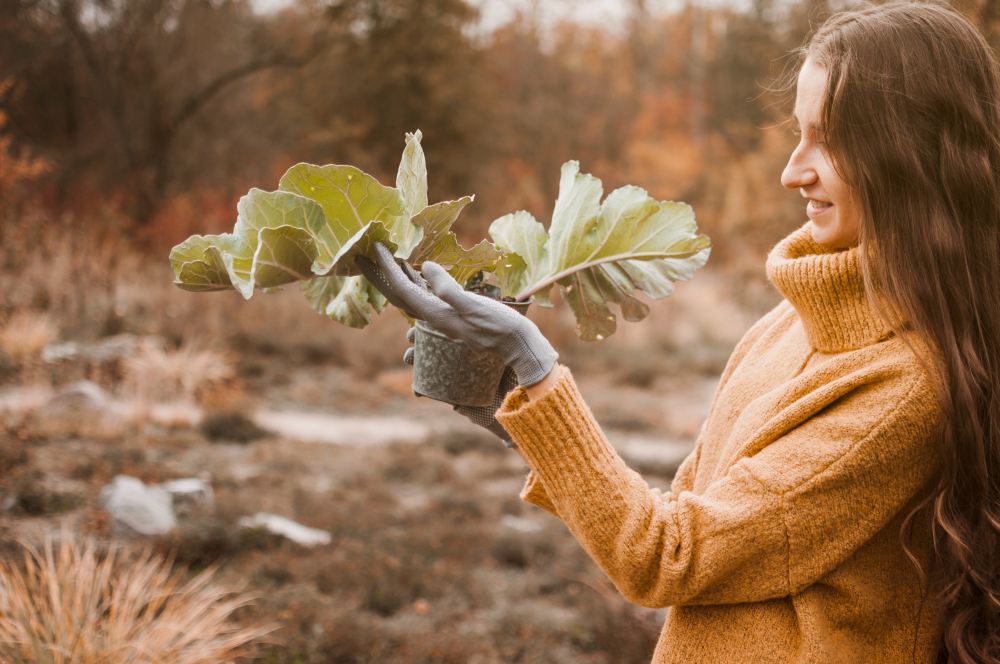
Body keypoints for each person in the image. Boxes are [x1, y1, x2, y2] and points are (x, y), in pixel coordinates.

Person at [357, 3, 1000, 662]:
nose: (792, 170)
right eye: (798, 132)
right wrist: (504, 402)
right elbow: (676, 516)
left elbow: (668, 557)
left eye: (829, 140)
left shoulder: (905, 388)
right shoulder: (786, 325)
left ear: (912, 155)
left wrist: (531, 357)